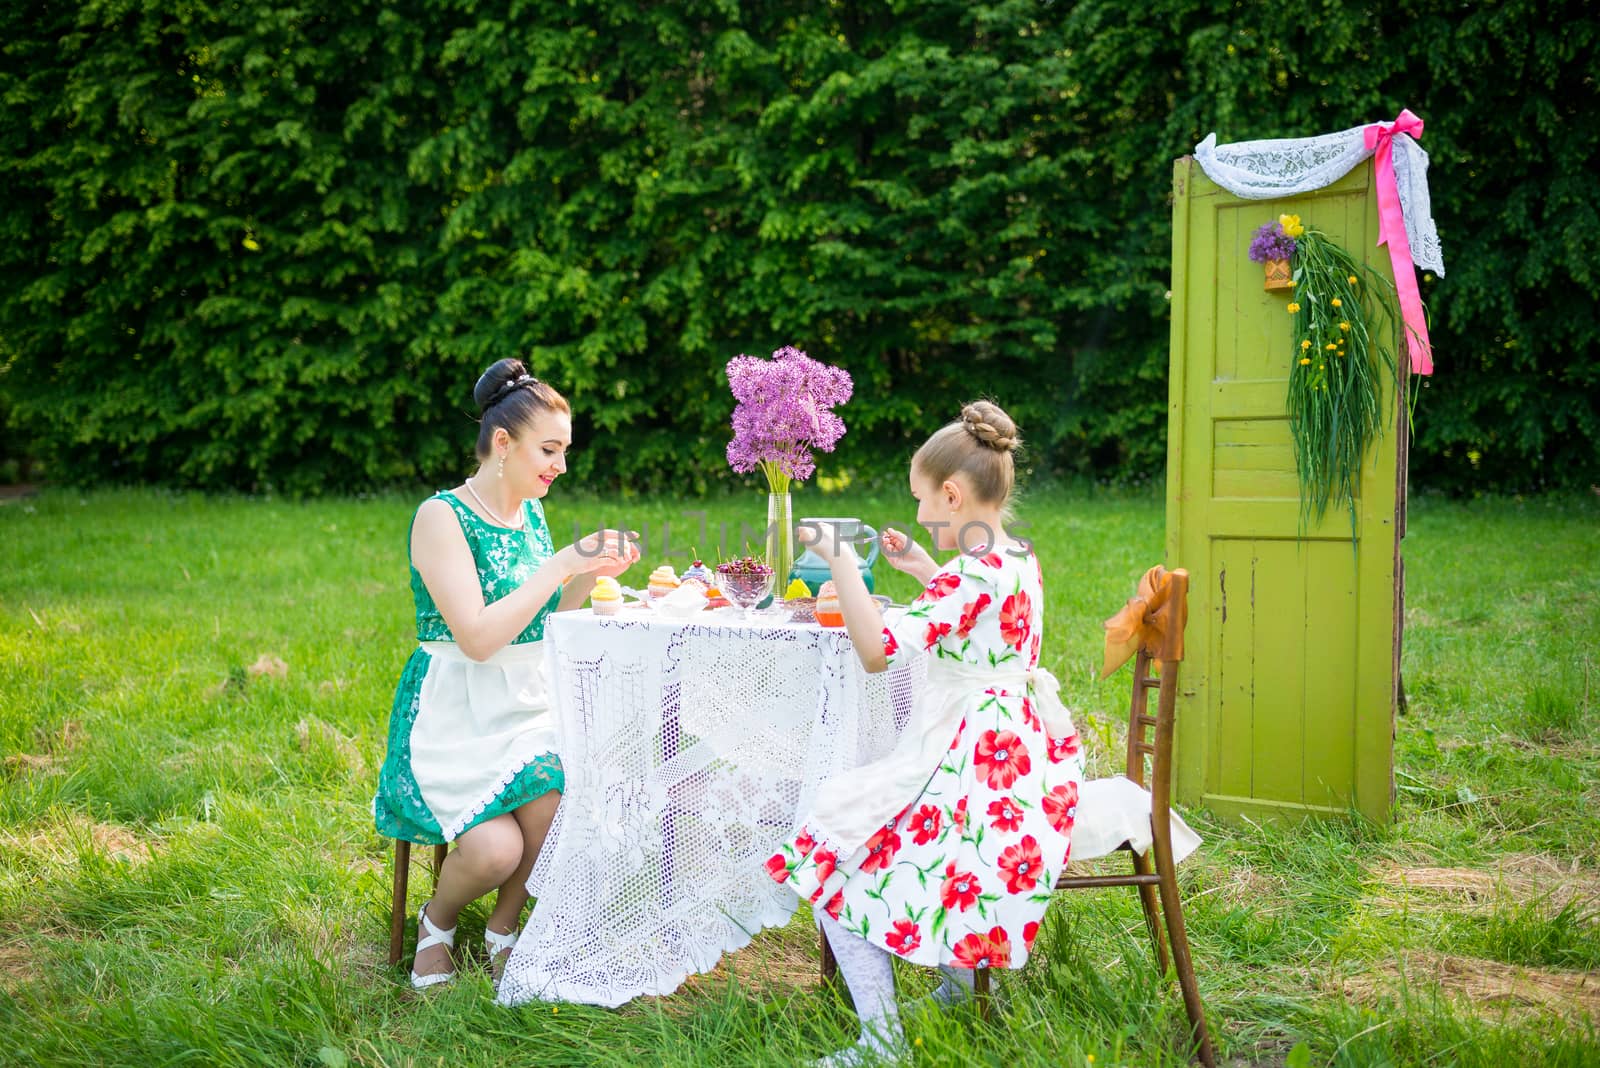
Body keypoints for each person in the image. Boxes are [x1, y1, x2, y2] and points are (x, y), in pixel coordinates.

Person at [767, 400, 1084, 1065]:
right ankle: (954, 987)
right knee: (853, 825)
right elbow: (978, 616)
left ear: (951, 493)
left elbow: (878, 650)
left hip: (979, 765)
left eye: (921, 502)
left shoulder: (974, 572)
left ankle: (882, 1042)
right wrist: (919, 569)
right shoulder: (1013, 556)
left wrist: (841, 564)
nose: (917, 516)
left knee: (832, 842)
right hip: (1016, 749)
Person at [373, 357, 637, 989]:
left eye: (564, 451)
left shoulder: (529, 514)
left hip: (523, 703)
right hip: (455, 710)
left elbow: (540, 627)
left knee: (561, 811)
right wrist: (559, 567)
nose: (560, 466)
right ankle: (436, 924)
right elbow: (480, 638)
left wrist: (588, 576)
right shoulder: (441, 516)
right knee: (495, 850)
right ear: (501, 443)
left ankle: (505, 927)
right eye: (550, 450)